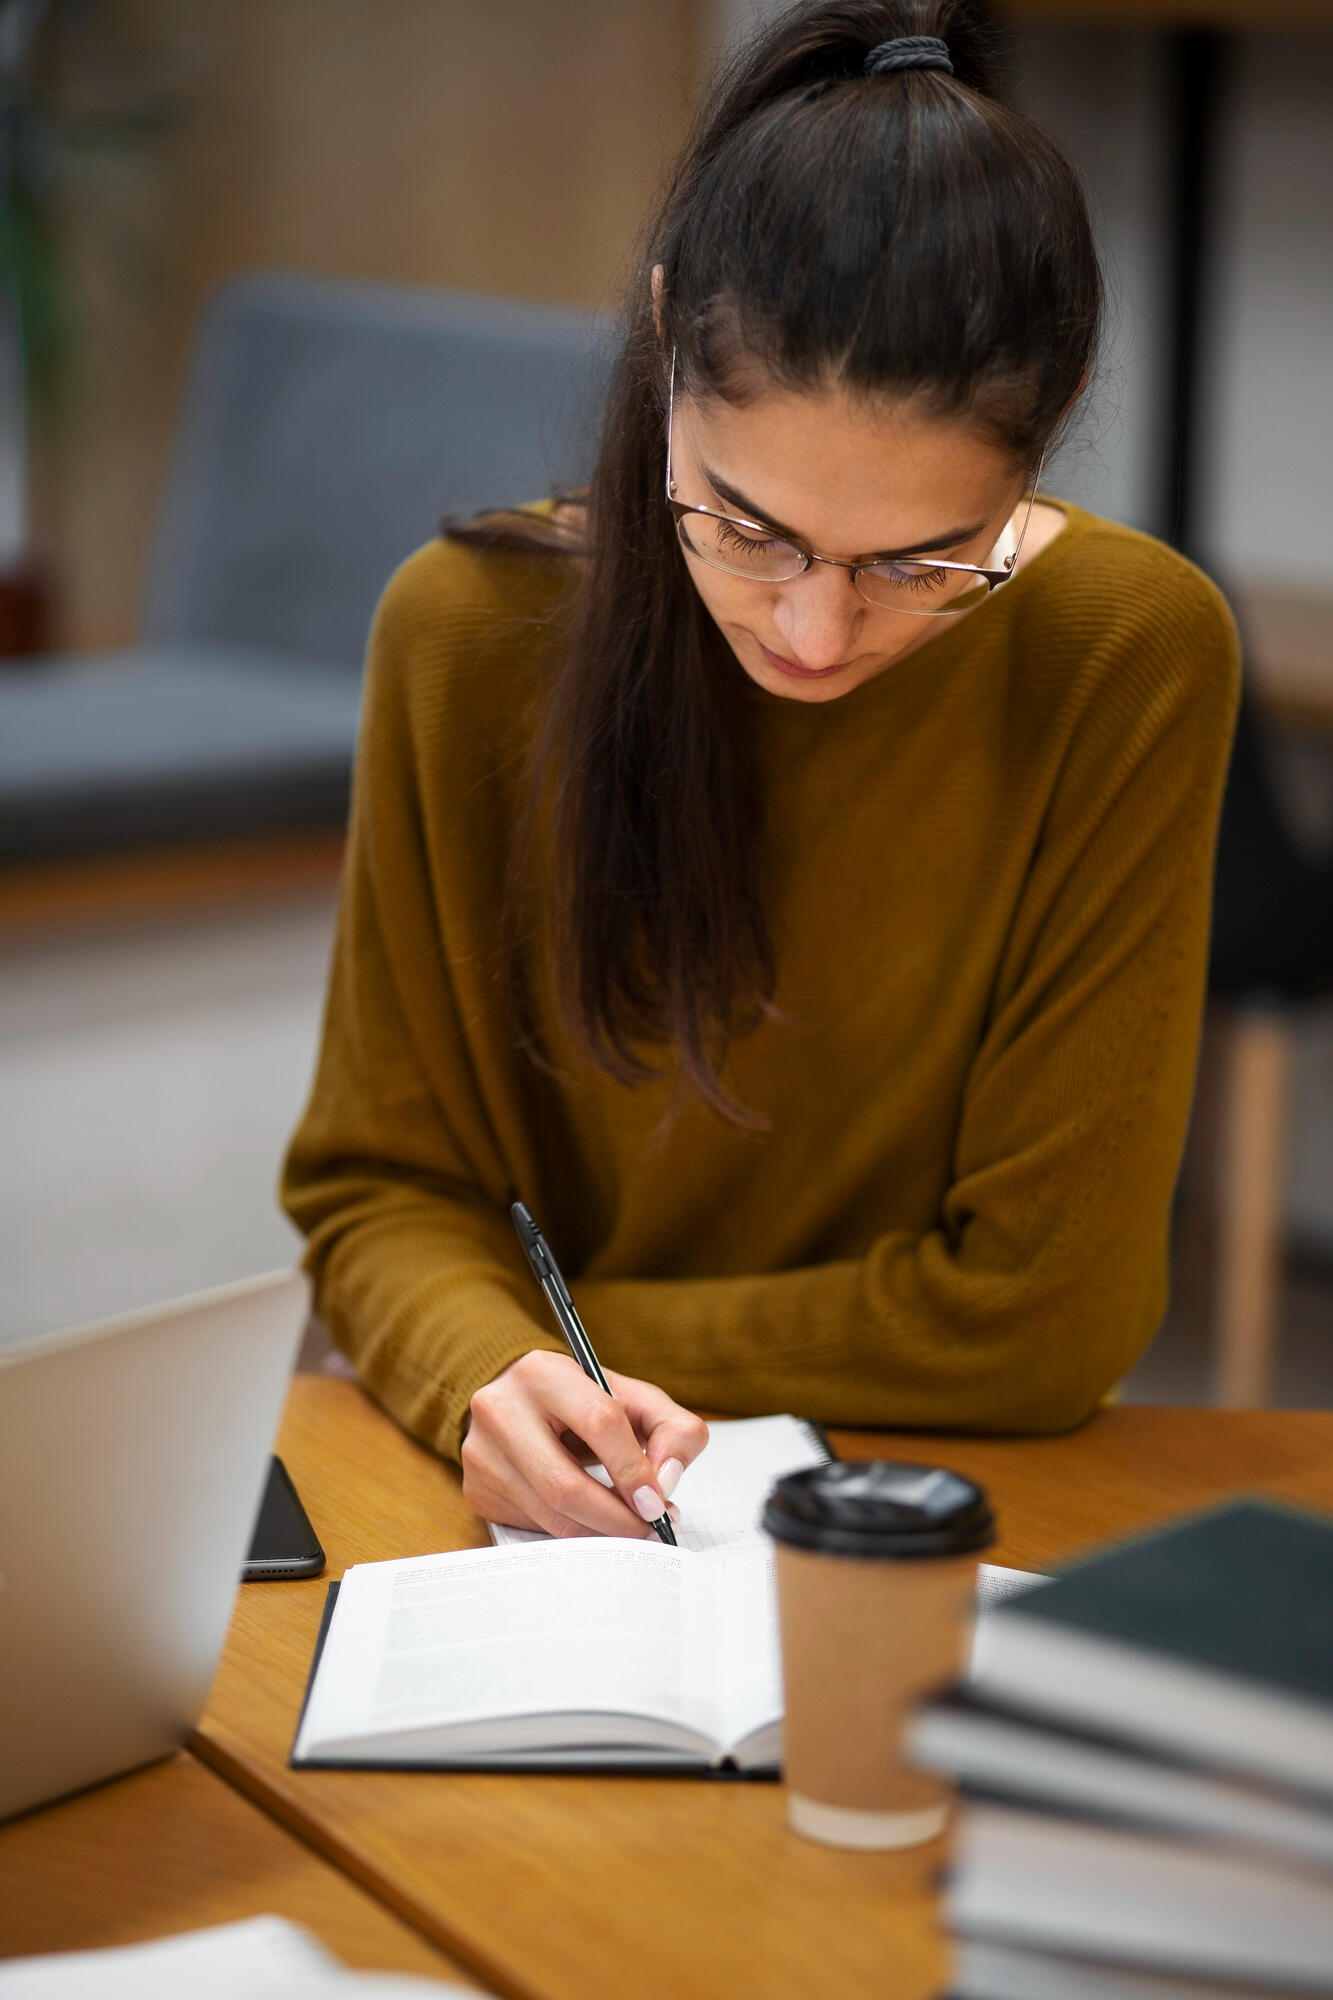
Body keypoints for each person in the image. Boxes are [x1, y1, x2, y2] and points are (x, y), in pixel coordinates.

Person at [282, 0, 1238, 1543]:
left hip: (936, 1503)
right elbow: (377, 1187)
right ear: (666, 336)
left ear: (1047, 431)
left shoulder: (1121, 652)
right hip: (563, 1515)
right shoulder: (462, 637)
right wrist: (487, 1371)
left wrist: (516, 1341)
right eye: (746, 527)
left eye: (921, 561)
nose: (813, 630)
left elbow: (1045, 1317)